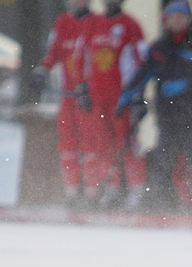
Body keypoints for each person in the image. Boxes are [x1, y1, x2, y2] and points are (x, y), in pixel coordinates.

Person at [114, 1, 192, 211]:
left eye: (181, 17)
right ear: (165, 19)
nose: (177, 20)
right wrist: (126, 96)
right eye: (173, 16)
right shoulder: (158, 48)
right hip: (168, 116)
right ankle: (161, 206)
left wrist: (186, 85)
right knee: (164, 161)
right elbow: (142, 75)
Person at [77, 0, 147, 209]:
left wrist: (138, 94)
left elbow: (142, 61)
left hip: (122, 97)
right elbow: (82, 56)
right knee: (102, 144)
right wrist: (82, 87)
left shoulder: (131, 25)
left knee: (127, 142)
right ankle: (110, 189)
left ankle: (137, 191)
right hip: (98, 97)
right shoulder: (92, 24)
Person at [31, 0, 95, 206]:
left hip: (90, 98)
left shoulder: (96, 23)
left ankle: (92, 193)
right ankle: (72, 192)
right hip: (68, 97)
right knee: (68, 145)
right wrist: (42, 71)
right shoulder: (62, 22)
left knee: (90, 144)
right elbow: (54, 53)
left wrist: (89, 86)